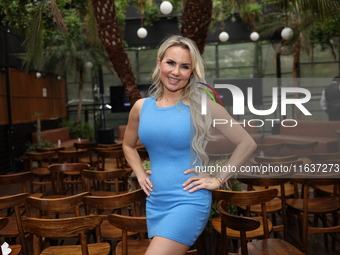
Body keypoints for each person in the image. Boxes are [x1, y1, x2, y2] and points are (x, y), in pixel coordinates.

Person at [122, 35, 257, 255]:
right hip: (156, 201)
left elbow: (246, 143)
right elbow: (128, 146)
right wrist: (140, 174)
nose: (176, 72)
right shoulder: (140, 107)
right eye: (171, 63)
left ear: (191, 73)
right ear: (159, 63)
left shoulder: (203, 105)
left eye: (184, 66)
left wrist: (218, 179)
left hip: (189, 200)